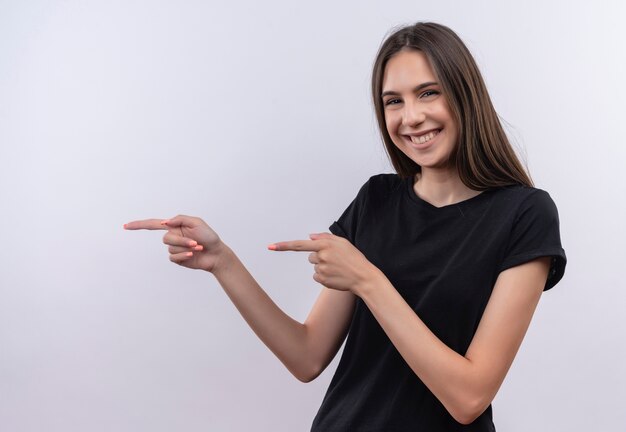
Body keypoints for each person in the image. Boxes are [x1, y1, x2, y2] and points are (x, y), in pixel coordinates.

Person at [124, 22, 566, 431]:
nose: (410, 117)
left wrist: (369, 280)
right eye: (393, 101)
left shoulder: (525, 215)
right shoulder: (376, 200)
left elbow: (468, 398)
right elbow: (306, 356)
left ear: (464, 94)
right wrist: (223, 262)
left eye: (428, 93)